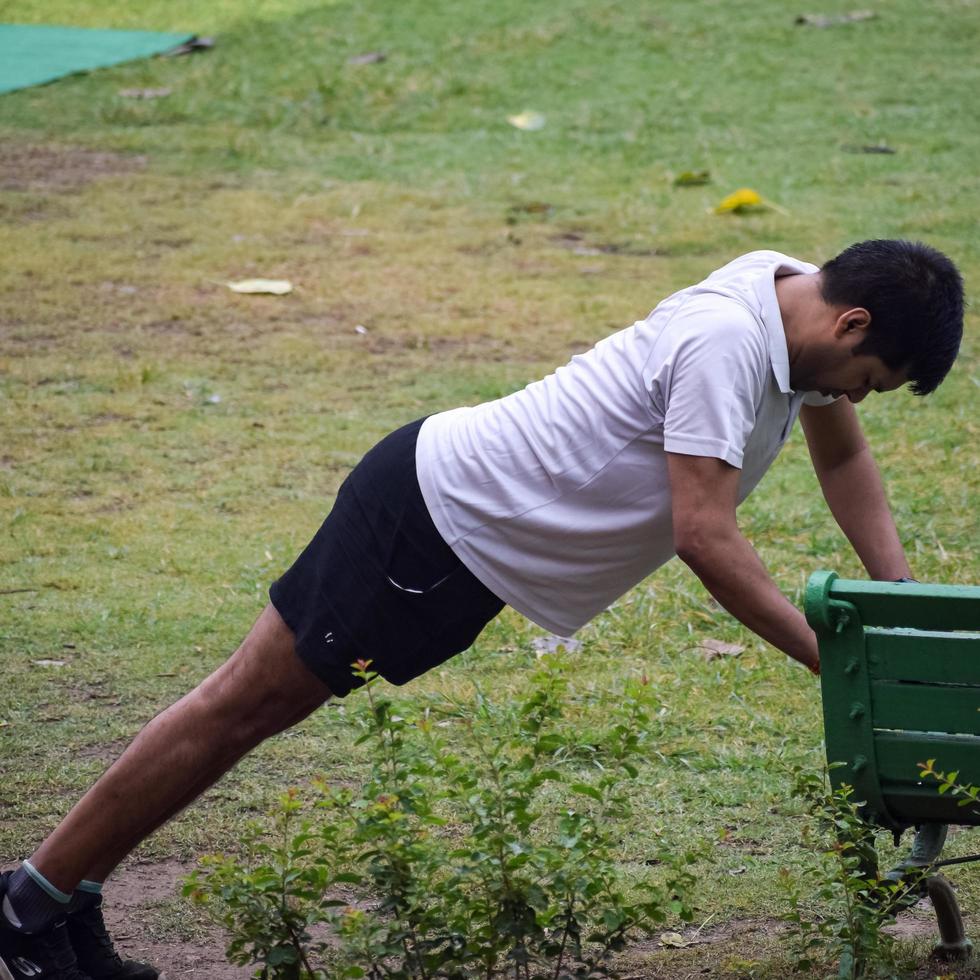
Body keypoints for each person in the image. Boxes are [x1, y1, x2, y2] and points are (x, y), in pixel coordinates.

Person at [0, 239, 964, 980]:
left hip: (461, 540)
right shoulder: (726, 345)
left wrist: (901, 605)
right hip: (432, 527)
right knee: (240, 707)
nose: (856, 402)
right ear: (852, 324)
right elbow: (704, 536)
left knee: (243, 712)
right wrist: (840, 667)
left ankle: (66, 893)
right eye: (870, 381)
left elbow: (843, 458)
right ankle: (32, 904)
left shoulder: (790, 293)